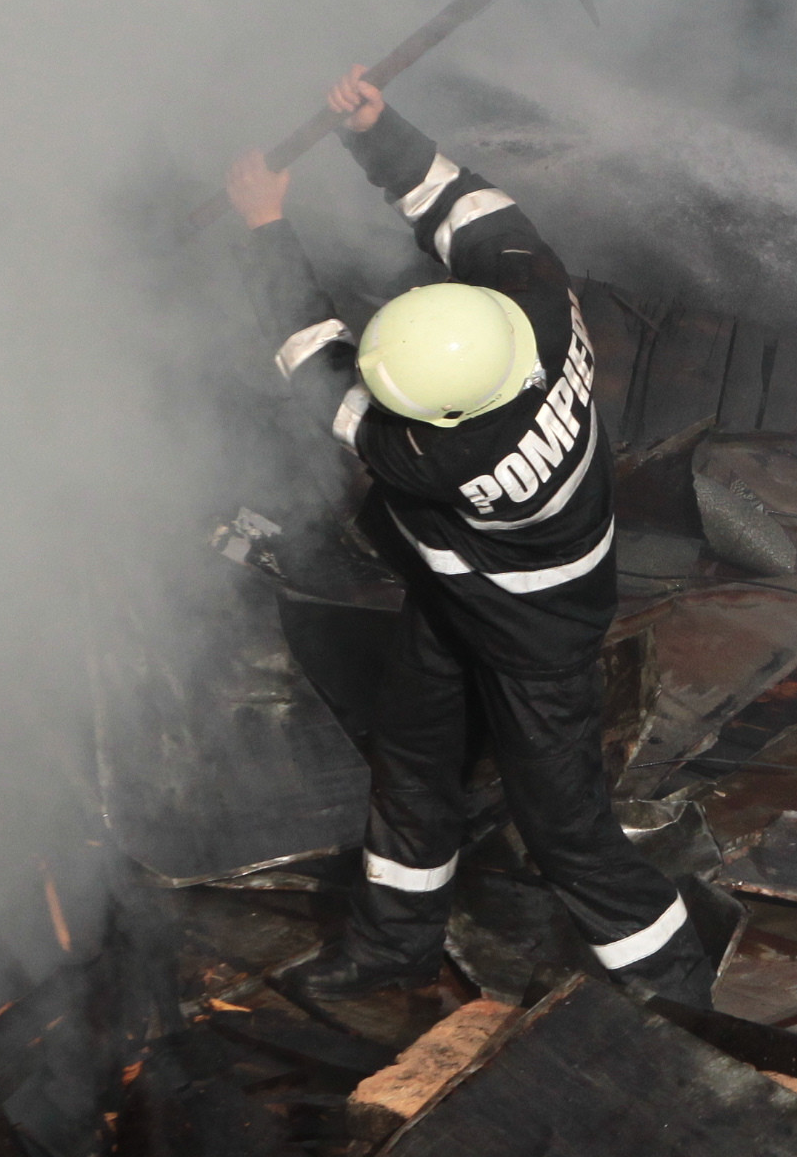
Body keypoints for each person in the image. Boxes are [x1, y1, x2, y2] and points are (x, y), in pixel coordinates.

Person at [225, 69, 740, 1008]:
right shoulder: (538, 306)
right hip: (459, 604)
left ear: (437, 417)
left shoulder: (429, 456)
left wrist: (264, 224)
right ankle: (393, 949)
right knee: (413, 762)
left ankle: (676, 988)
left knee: (564, 827)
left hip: (538, 634)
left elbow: (311, 359)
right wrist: (380, 135)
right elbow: (472, 211)